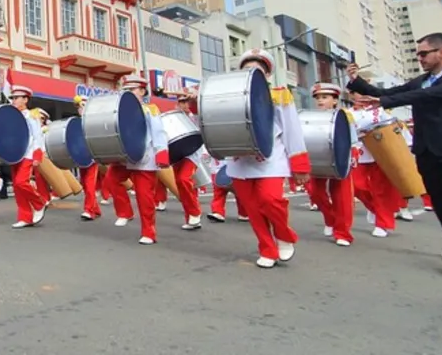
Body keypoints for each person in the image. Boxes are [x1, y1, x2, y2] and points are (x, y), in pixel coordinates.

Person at [189, 49, 309, 268]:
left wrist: (299, 164)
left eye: (258, 70)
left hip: (270, 159)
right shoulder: (228, 95)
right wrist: (194, 105)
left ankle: (283, 234)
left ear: (266, 75)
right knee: (253, 209)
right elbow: (212, 124)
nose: (252, 73)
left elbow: (292, 129)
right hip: (239, 161)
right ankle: (267, 249)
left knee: (271, 200)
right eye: (246, 70)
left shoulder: (279, 94)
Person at [347, 32, 442, 269]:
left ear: (441, 52)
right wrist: (356, 80)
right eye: (417, 54)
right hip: (426, 152)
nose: (420, 58)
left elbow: (424, 96)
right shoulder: (421, 81)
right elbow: (387, 93)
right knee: (439, 200)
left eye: (424, 53)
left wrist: (384, 103)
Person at [99, 75, 170, 245]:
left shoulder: (150, 109)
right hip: (124, 157)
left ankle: (149, 232)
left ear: (142, 91)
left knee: (145, 197)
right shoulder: (119, 111)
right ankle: (125, 212)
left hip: (144, 157)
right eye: (126, 90)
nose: (129, 93)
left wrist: (162, 152)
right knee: (111, 180)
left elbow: (159, 132)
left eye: (133, 90)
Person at [348, 89, 405, 238]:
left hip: (380, 152)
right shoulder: (347, 113)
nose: (358, 96)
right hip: (358, 154)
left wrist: (397, 125)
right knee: (356, 186)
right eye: (354, 93)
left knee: (382, 189)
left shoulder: (379, 111)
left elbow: (391, 125)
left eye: (361, 92)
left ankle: (382, 223)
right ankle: (374, 208)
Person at [305, 82, 358, 247]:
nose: (320, 101)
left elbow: (353, 138)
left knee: (341, 197)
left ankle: (342, 232)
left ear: (335, 100)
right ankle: (330, 218)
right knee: (315, 192)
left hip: (340, 158)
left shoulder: (344, 115)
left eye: (325, 97)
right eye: (318, 98)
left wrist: (353, 154)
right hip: (318, 159)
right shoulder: (311, 117)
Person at [6, 85, 48, 228]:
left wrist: (37, 155)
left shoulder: (32, 115)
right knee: (18, 189)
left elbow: (37, 136)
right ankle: (25, 217)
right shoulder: (12, 115)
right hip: (15, 155)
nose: (14, 100)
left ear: (25, 99)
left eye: (17, 98)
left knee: (20, 182)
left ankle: (39, 203)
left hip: (28, 154)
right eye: (13, 98)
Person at [172, 94, 204, 231]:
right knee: (180, 185)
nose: (184, 105)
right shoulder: (173, 119)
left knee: (183, 179)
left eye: (186, 102)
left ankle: (195, 212)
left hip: (192, 154)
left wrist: (194, 100)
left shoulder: (194, 118)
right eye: (181, 102)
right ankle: (190, 218)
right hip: (177, 155)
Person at [75, 96, 103, 221]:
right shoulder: (77, 123)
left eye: (82, 106)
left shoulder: (94, 122)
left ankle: (89, 210)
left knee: (89, 184)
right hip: (82, 158)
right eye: (78, 107)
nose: (80, 109)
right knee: (85, 185)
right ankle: (95, 209)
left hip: (92, 157)